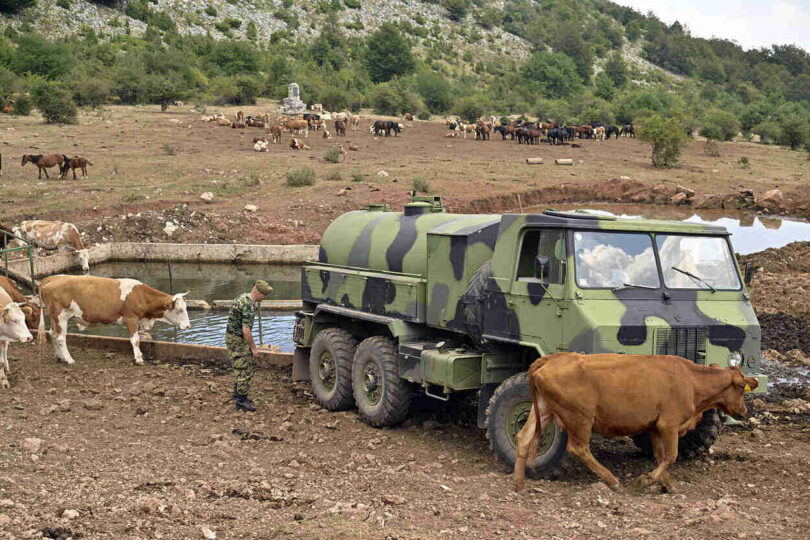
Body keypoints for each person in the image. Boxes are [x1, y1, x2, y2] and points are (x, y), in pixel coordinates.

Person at [226, 280, 273, 412]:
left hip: (231, 337)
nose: (265, 298)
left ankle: (237, 393)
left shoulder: (241, 298)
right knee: (245, 368)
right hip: (238, 340)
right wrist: (254, 348)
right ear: (258, 292)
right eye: (264, 295)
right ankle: (241, 400)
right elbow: (246, 331)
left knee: (240, 365)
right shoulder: (248, 306)